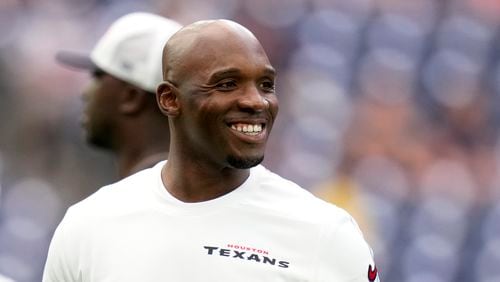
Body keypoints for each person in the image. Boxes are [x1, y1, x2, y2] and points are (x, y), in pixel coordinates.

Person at [43, 19, 379, 282]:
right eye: (227, 83)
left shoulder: (324, 232)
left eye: (266, 85)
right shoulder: (88, 224)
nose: (256, 101)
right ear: (169, 99)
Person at [56, 12, 182, 179]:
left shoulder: (124, 202)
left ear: (131, 97)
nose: (84, 93)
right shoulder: (204, 192)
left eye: (97, 76)